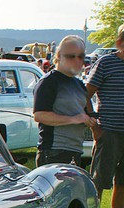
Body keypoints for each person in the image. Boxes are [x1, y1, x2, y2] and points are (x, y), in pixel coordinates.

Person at [33, 36, 97, 168]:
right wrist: (74, 119)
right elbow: (39, 115)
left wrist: (89, 120)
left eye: (80, 56)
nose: (76, 60)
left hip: (75, 150)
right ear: (58, 56)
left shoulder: (79, 84)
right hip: (53, 151)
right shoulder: (48, 82)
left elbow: (83, 115)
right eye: (71, 56)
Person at [87, 24, 124, 208]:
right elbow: (86, 94)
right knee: (99, 182)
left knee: (123, 182)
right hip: (108, 131)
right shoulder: (106, 63)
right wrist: (95, 125)